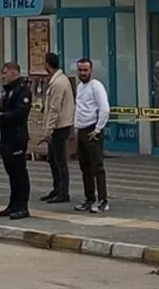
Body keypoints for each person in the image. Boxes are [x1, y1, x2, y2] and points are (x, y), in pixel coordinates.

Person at [72, 58, 111, 213]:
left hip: (92, 131)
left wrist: (97, 129)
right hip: (81, 130)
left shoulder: (96, 86)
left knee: (97, 167)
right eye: (80, 70)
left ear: (91, 71)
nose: (82, 73)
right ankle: (89, 198)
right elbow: (79, 108)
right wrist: (76, 128)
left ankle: (103, 200)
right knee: (84, 167)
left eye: (85, 70)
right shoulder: (80, 87)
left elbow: (105, 109)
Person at [0, 62, 33, 220]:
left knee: (19, 172)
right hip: (7, 137)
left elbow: (22, 111)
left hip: (17, 137)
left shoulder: (22, 90)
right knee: (11, 172)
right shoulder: (9, 90)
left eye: (5, 73)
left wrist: (4, 117)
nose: (3, 76)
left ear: (13, 73)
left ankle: (22, 206)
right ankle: (13, 204)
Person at [40, 53, 75, 204]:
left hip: (59, 127)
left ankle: (63, 192)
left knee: (59, 160)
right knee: (52, 159)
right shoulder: (58, 80)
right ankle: (57, 188)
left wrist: (48, 130)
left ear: (47, 64)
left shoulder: (58, 83)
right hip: (59, 126)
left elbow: (55, 109)